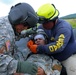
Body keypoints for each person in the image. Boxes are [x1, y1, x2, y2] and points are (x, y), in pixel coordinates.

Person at [27, 3, 76, 75]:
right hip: (51, 57)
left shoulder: (64, 28)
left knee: (73, 71)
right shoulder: (44, 26)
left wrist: (38, 48)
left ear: (53, 19)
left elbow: (57, 46)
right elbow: (37, 32)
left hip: (67, 57)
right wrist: (31, 40)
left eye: (45, 23)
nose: (43, 25)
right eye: (41, 22)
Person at [0, 2, 39, 75]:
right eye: (25, 25)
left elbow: (14, 36)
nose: (25, 28)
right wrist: (18, 66)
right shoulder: (3, 33)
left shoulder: (8, 24)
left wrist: (26, 33)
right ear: (18, 18)